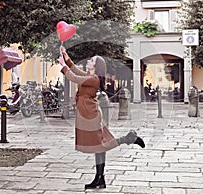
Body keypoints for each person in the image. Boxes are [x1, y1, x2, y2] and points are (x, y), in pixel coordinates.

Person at [57, 46, 145, 190]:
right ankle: (100, 179)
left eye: (91, 60)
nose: (88, 61)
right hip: (89, 113)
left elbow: (73, 77)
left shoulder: (93, 79)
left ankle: (129, 138)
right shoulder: (88, 76)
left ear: (96, 66)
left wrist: (62, 66)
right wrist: (65, 56)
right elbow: (75, 70)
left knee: (100, 145)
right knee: (99, 147)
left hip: (90, 115)